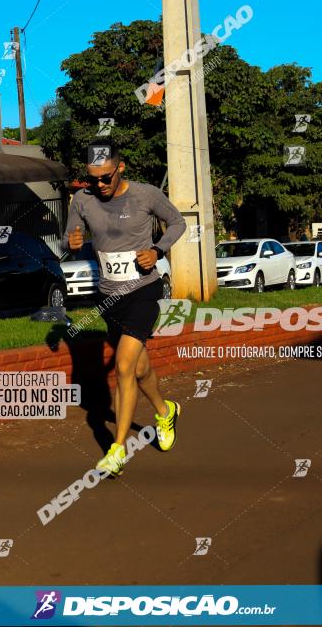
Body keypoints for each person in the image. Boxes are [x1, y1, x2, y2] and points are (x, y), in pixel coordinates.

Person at [62, 139, 187, 476]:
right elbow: (67, 237)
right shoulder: (82, 200)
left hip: (144, 291)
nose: (99, 185)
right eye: (92, 179)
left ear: (121, 168)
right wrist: (71, 242)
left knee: (123, 365)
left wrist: (158, 251)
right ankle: (165, 410)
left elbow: (178, 223)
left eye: (105, 178)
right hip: (109, 296)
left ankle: (117, 451)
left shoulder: (146, 194)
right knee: (140, 368)